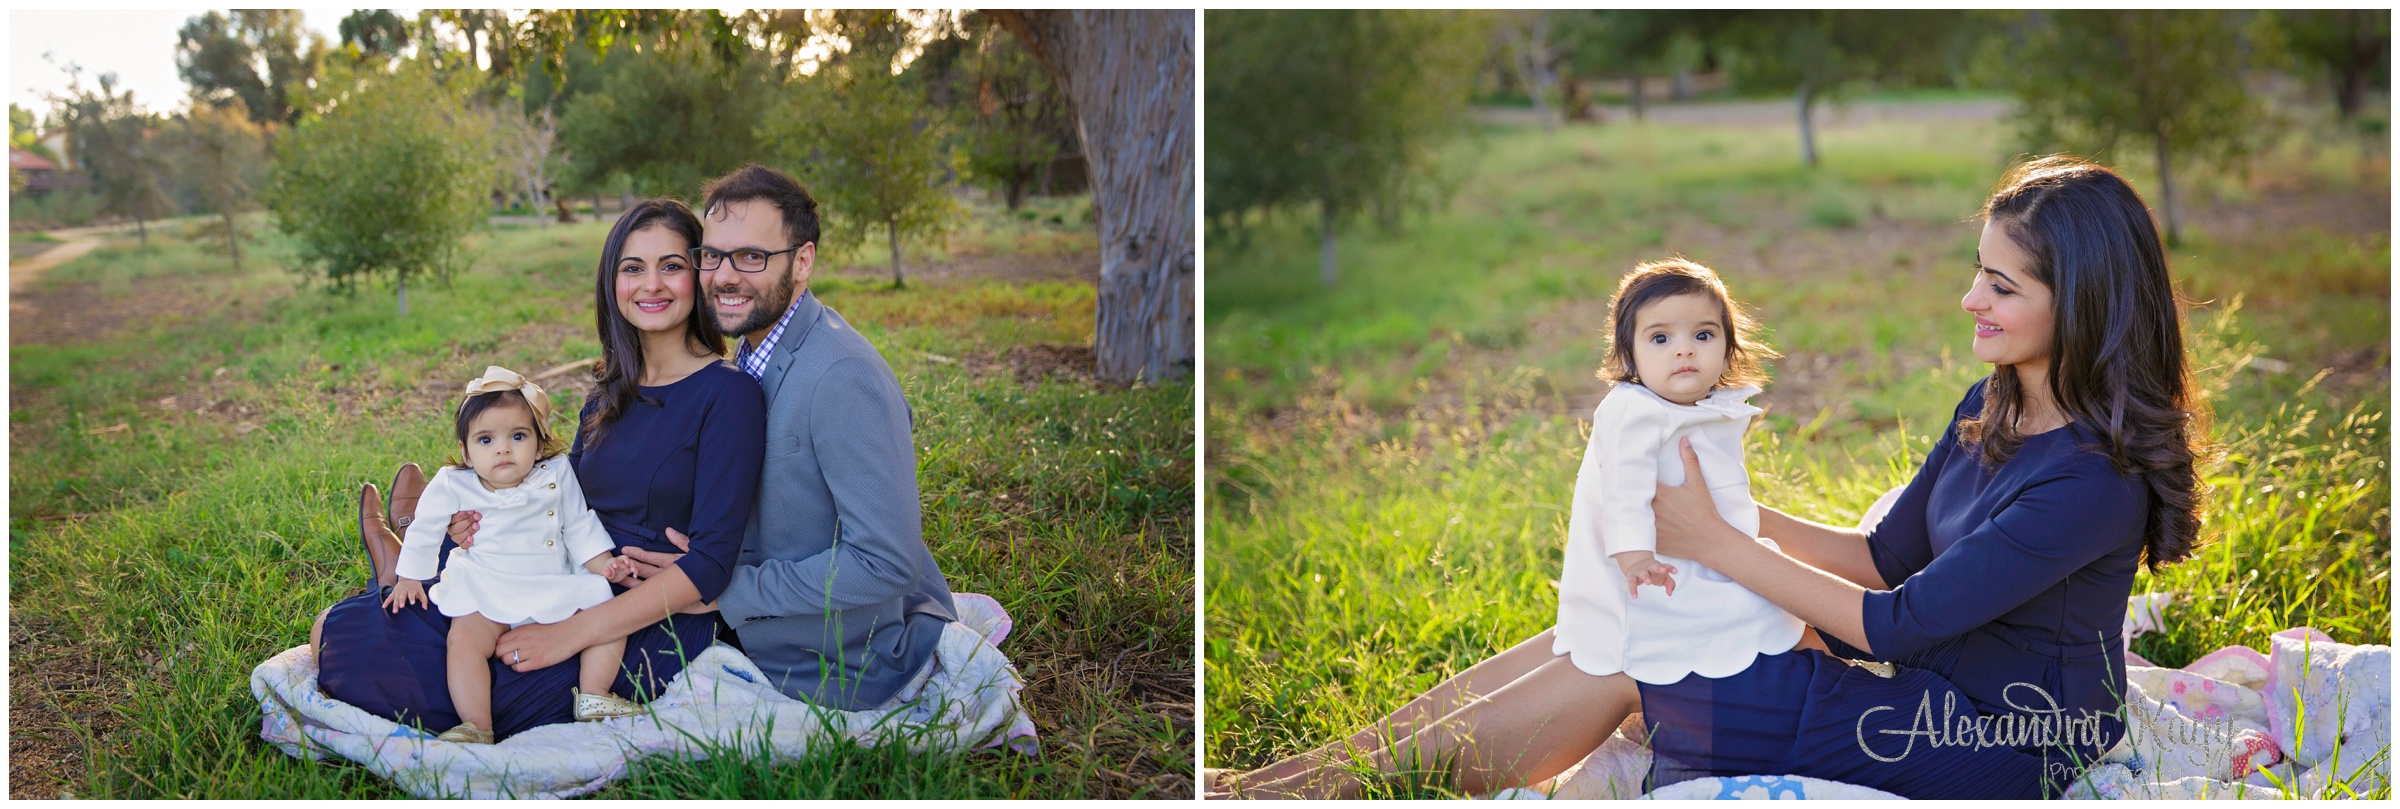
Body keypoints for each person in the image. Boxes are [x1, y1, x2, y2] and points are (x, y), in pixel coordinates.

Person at [1217, 155, 2206, 800]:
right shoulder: (1993, 400)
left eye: (2001, 284)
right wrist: (1708, 510)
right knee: (1606, 622)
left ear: (2077, 301)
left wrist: (1716, 542)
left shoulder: (2094, 480)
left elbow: (1897, 616)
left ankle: (1299, 795)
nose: (1969, 298)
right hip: (1918, 681)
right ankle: (1283, 778)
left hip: (2002, 740)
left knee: (1638, 654)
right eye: (1976, 270)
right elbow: (1880, 554)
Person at [314, 199, 765, 740]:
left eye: (671, 265)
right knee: (348, 625)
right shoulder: (611, 390)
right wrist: (477, 515)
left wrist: (570, 634)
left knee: (342, 644)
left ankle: (400, 564)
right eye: (632, 268)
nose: (652, 285)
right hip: (543, 566)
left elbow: (712, 565)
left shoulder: (728, 394)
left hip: (631, 614)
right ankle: (409, 557)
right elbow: (555, 491)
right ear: (611, 282)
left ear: (698, 273)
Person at [610, 163, 960, 711]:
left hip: (826, 655)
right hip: (709, 593)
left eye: (752, 257)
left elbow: (887, 561)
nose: (724, 276)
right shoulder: (752, 347)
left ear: (802, 261)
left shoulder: (842, 376)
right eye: (713, 255)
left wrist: (725, 591)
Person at [380, 367, 646, 744]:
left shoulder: (556, 473)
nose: (503, 448)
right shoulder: (453, 483)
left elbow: (578, 525)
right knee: (465, 641)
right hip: (486, 585)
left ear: (538, 446)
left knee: (605, 611)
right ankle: (476, 724)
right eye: (485, 439)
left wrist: (604, 563)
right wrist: (410, 577)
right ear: (466, 452)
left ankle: (595, 695)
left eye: (518, 436)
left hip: (553, 583)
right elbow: (426, 526)